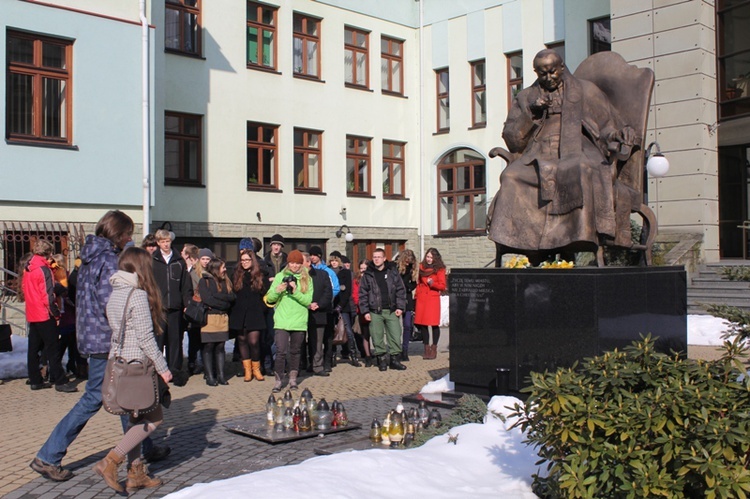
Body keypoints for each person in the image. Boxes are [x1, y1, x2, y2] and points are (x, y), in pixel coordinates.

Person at [31, 210, 170, 483]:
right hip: (108, 341)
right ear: (117, 234)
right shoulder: (109, 260)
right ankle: (48, 455)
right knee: (101, 398)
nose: (130, 238)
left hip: (92, 336)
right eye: (127, 233)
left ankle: (141, 453)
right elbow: (117, 306)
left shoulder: (89, 257)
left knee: (128, 399)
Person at [488, 49, 636, 264]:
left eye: (552, 72)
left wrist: (617, 135)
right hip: (538, 152)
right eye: (542, 73)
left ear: (562, 68)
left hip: (578, 148)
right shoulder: (526, 97)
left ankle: (576, 239)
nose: (548, 78)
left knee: (580, 170)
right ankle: (526, 246)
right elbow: (512, 139)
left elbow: (605, 128)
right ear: (535, 72)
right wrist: (531, 113)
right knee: (511, 177)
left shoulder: (585, 90)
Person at [95, 247, 172, 493]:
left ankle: (135, 473)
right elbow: (145, 338)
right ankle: (112, 460)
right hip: (138, 367)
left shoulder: (116, 293)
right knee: (155, 417)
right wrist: (163, 368)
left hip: (121, 363)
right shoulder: (137, 295)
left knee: (135, 418)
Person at [21, 239, 77, 392]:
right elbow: (47, 295)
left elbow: (24, 287)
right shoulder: (43, 269)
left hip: (32, 311)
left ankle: (35, 379)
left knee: (33, 348)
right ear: (48, 253)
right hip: (44, 313)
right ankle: (60, 381)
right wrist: (56, 313)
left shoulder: (29, 267)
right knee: (53, 348)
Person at [265, 249, 313, 392]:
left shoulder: (307, 279)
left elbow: (308, 300)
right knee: (280, 351)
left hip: (299, 321)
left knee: (295, 351)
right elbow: (269, 299)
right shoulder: (280, 276)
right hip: (282, 320)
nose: (294, 266)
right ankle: (278, 381)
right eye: (292, 263)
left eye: (297, 263)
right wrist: (277, 290)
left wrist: (295, 291)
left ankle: (293, 379)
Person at [151, 229, 192, 385]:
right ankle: (157, 372)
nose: (165, 244)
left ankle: (174, 370)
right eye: (162, 242)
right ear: (158, 243)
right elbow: (149, 284)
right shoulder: (153, 260)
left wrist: (186, 303)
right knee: (158, 341)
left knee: (175, 341)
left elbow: (185, 286)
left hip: (175, 308)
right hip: (159, 308)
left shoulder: (178, 261)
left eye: (167, 241)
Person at [358, 248, 407, 372]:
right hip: (375, 311)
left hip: (391, 310)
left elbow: (401, 290)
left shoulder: (392, 272)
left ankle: (395, 360)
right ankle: (382, 360)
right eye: (374, 257)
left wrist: (400, 307)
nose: (376, 259)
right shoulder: (368, 274)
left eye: (379, 257)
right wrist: (365, 311)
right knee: (377, 336)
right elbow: (362, 293)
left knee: (395, 335)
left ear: (384, 258)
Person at [230, 246, 268, 382]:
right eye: (242, 260)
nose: (244, 262)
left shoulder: (260, 275)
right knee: (242, 340)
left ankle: (256, 368)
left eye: (247, 260)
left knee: (254, 341)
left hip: (255, 312)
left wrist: (262, 308)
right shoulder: (235, 274)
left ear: (253, 260)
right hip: (239, 312)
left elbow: (267, 294)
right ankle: (247, 369)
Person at [198, 258, 235, 386]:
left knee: (220, 347)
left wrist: (219, 298)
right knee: (208, 346)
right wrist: (223, 302)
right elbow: (207, 299)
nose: (225, 269)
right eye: (222, 267)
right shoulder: (204, 281)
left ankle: (221, 375)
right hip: (209, 319)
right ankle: (210, 376)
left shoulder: (226, 281)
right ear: (215, 268)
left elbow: (232, 297)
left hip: (222, 318)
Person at [414, 248, 447, 360]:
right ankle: (426, 348)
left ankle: (434, 348)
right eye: (428, 257)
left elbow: (442, 286)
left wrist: (433, 284)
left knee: (433, 324)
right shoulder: (421, 267)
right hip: (422, 298)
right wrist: (416, 296)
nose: (429, 259)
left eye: (431, 257)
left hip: (432, 298)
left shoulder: (440, 269)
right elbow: (419, 283)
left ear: (435, 258)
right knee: (423, 324)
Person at [303, 252, 332, 377]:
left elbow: (328, 293)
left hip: (318, 312)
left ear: (308, 262)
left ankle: (317, 366)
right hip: (300, 313)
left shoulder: (322, 274)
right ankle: (301, 365)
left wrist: (318, 304)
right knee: (298, 341)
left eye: (300, 262)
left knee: (317, 341)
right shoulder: (296, 276)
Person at [330, 254, 360, 366]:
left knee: (348, 331)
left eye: (335, 261)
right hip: (331, 306)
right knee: (333, 331)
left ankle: (353, 354)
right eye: (332, 261)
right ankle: (331, 356)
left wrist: (340, 306)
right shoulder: (328, 272)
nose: (333, 263)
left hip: (343, 306)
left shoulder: (346, 272)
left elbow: (347, 291)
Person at [181, 243, 203, 376]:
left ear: (188, 255)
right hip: (187, 310)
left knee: (196, 337)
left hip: (196, 308)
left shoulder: (196, 271)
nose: (181, 254)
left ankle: (197, 363)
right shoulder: (184, 269)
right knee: (191, 336)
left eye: (183, 252)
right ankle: (191, 361)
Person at [396, 249, 419, 361]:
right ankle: (395, 350)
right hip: (397, 298)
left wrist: (409, 288)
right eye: (406, 261)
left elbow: (414, 283)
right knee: (395, 326)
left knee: (407, 326)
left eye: (409, 261)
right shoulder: (397, 268)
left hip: (408, 298)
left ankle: (405, 350)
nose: (407, 263)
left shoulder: (412, 269)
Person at [352, 259, 373, 366]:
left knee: (375, 333)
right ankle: (367, 356)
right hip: (362, 310)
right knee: (365, 334)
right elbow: (355, 295)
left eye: (365, 269)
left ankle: (378, 354)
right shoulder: (356, 280)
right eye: (361, 269)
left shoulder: (373, 278)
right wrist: (362, 304)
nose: (363, 271)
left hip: (373, 309)